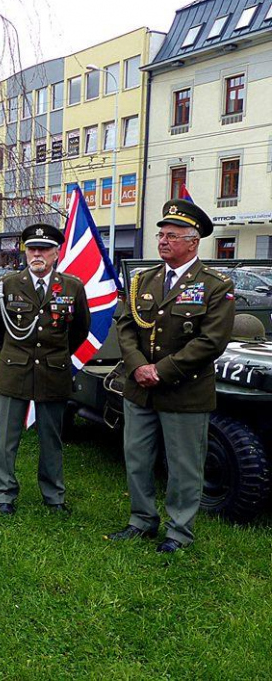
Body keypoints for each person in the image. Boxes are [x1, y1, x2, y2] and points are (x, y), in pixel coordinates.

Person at [107, 199, 235, 553]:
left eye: (172, 236)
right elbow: (126, 327)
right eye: (161, 235)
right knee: (137, 458)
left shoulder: (215, 285)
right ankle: (141, 520)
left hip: (184, 391)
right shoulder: (143, 280)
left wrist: (160, 371)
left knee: (183, 466)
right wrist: (138, 366)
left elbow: (211, 341)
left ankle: (179, 532)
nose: (163, 241)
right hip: (140, 389)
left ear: (193, 241)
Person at [0, 224, 91, 514]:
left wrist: (57, 355)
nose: (37, 254)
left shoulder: (72, 287)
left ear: (56, 253)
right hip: (14, 371)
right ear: (25, 251)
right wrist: (13, 355)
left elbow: (80, 330)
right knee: (6, 439)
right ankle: (3, 494)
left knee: (51, 438)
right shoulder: (7, 285)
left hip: (53, 373)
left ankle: (54, 495)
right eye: (32, 248)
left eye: (44, 249)